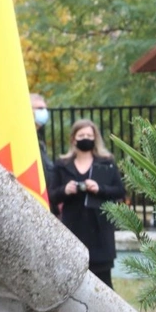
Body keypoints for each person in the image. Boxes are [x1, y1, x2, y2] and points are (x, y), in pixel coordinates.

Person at [48, 119, 126, 287]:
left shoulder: (106, 163)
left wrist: (100, 188)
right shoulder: (62, 165)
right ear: (73, 139)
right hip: (73, 230)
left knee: (103, 284)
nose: (85, 138)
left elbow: (120, 191)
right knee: (73, 282)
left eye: (89, 135)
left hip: (100, 232)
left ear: (95, 138)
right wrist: (65, 190)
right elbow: (52, 195)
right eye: (81, 135)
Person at [30, 93, 56, 213]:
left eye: (45, 108)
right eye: (40, 108)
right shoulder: (24, 138)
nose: (44, 112)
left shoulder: (39, 140)